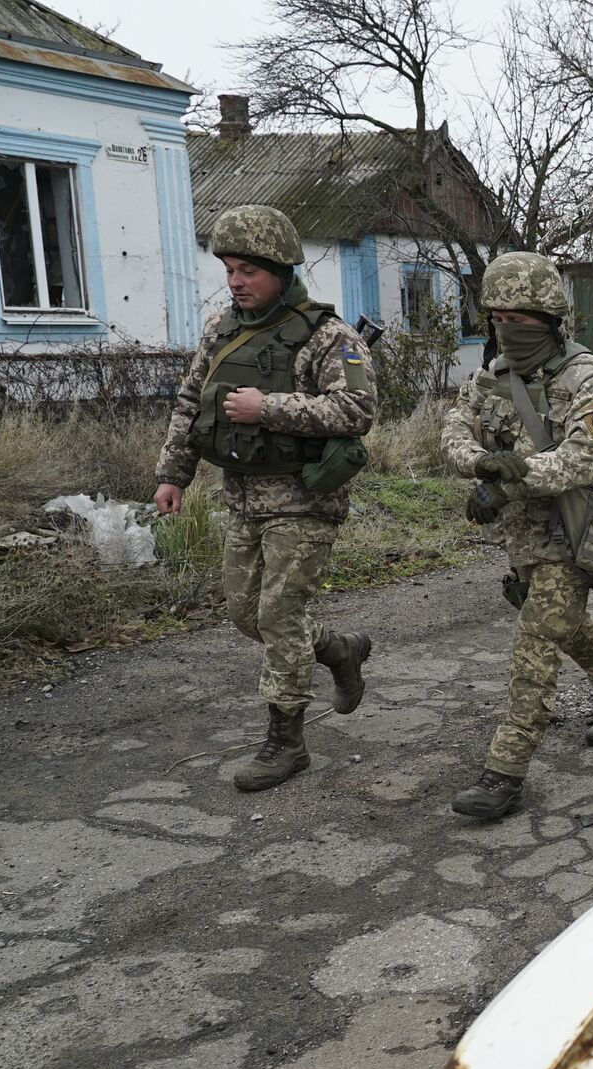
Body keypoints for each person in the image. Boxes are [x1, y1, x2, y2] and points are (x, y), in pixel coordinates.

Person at [153, 204, 378, 792]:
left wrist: (267, 407)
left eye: (248, 269)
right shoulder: (221, 332)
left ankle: (286, 742)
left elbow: (357, 410)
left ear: (281, 269)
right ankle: (338, 650)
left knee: (278, 616)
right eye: (229, 269)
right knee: (246, 613)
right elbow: (187, 403)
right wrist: (172, 474)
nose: (235, 281)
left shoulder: (331, 337)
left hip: (305, 501)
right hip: (242, 497)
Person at [441, 251, 593, 820]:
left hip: (576, 534)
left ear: (551, 318)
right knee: (568, 628)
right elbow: (456, 428)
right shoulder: (491, 375)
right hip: (524, 540)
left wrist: (512, 479)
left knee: (534, 647)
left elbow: (585, 459)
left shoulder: (587, 380)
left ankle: (504, 773)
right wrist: (483, 467)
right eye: (497, 315)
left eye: (521, 316)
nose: (507, 326)